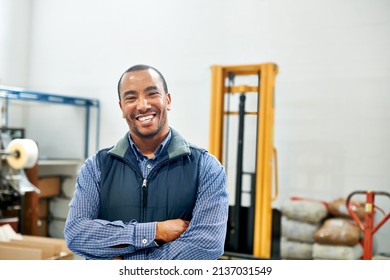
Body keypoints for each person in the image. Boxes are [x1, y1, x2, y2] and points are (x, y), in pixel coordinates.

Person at [64, 64, 229, 260]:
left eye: (152, 94)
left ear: (167, 100)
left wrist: (129, 266)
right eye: (131, 98)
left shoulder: (206, 168)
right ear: (122, 107)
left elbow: (206, 244)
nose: (142, 105)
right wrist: (156, 231)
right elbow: (76, 233)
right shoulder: (96, 167)